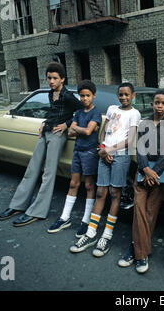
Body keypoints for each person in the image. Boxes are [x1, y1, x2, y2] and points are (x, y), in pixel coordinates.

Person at [0, 62, 84, 227]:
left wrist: (67, 124)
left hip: (58, 136)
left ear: (62, 79)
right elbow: (52, 112)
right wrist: (45, 122)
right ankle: (18, 205)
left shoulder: (67, 96)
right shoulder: (51, 94)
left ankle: (36, 211)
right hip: (46, 132)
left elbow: (81, 110)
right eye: (49, 78)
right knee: (32, 169)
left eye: (55, 78)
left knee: (48, 174)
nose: (51, 81)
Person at [69, 82, 141, 257]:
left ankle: (106, 236)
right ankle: (91, 233)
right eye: (121, 94)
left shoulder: (134, 114)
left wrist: (109, 150)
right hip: (103, 153)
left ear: (133, 95)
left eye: (126, 94)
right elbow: (103, 130)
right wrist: (102, 148)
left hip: (120, 156)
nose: (123, 97)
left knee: (115, 194)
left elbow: (130, 141)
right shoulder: (111, 109)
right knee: (101, 192)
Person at [117, 90, 164, 274]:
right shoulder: (144, 123)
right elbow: (140, 148)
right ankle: (141, 254)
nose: (159, 106)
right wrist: (145, 169)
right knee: (139, 210)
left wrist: (154, 172)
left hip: (159, 173)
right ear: (152, 104)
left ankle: (134, 249)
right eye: (156, 102)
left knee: (151, 213)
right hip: (143, 171)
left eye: (163, 103)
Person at [47, 80, 102, 237]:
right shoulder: (78, 113)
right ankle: (65, 217)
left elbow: (87, 132)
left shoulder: (96, 113)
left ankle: (86, 220)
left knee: (90, 185)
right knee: (73, 183)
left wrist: (79, 129)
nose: (84, 99)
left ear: (93, 95)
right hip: (78, 151)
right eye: (82, 96)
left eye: (88, 96)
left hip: (90, 152)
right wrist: (81, 129)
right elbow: (72, 132)